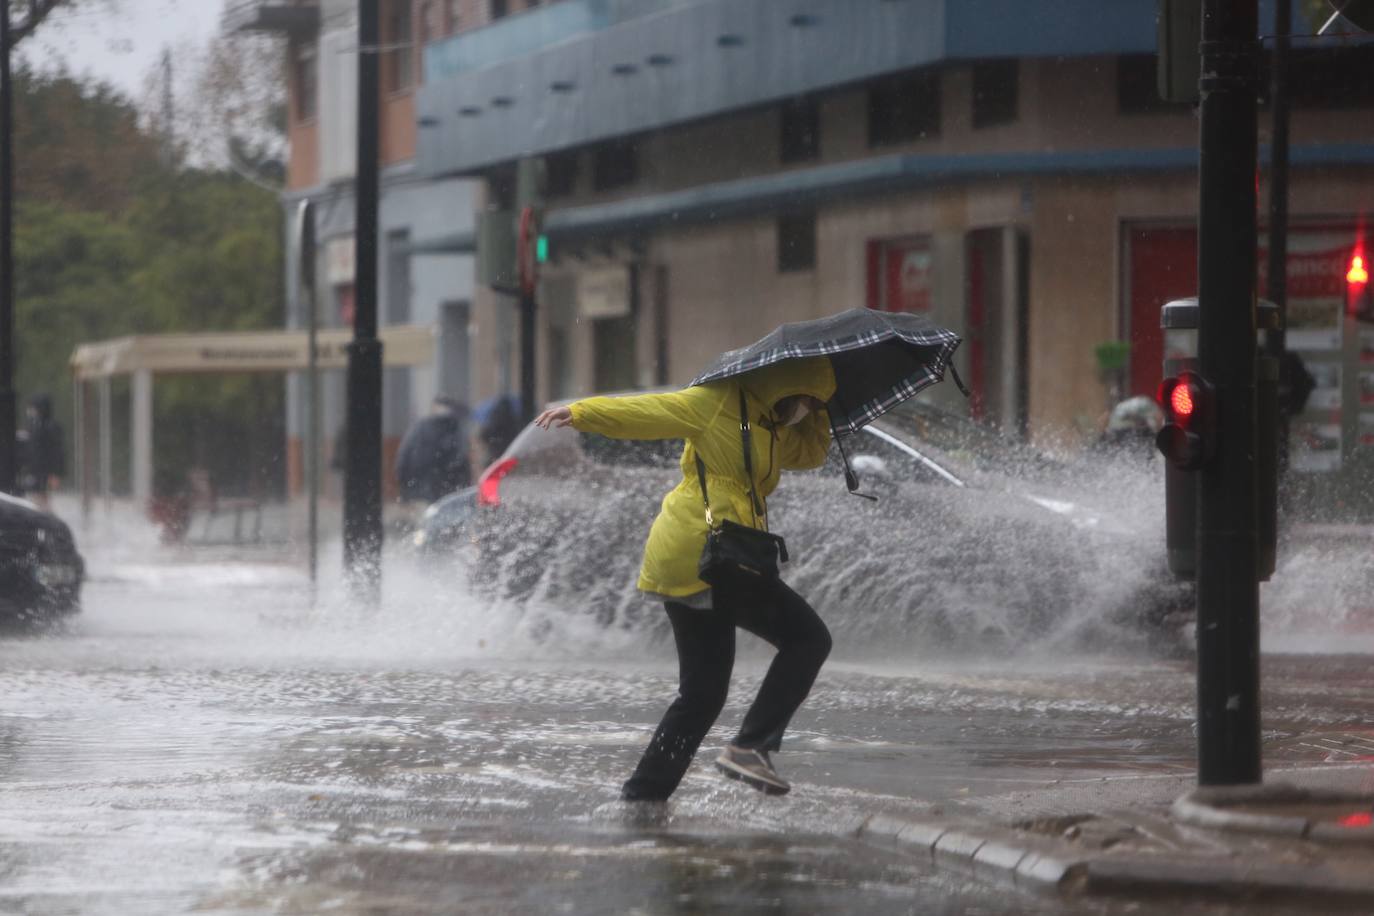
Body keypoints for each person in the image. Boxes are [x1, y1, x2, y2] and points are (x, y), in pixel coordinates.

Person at [535, 357, 836, 801]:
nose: (805, 410)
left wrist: (826, 412)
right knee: (809, 639)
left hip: (712, 555)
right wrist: (583, 413)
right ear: (787, 386)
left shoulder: (768, 425)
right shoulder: (716, 403)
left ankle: (644, 795)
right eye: (807, 401)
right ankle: (751, 746)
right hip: (705, 550)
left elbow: (810, 454)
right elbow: (653, 410)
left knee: (703, 695)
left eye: (813, 405)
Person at [395, 395, 471, 504]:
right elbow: (462, 460)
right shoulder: (455, 429)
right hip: (448, 491)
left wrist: (404, 487)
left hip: (419, 489)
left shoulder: (420, 428)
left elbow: (403, 459)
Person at [19, 394, 65, 511]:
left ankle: (46, 519)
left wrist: (55, 473)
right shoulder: (34, 425)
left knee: (41, 497)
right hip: (35, 469)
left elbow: (57, 451)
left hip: (44, 470)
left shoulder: (50, 426)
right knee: (37, 496)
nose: (30, 411)